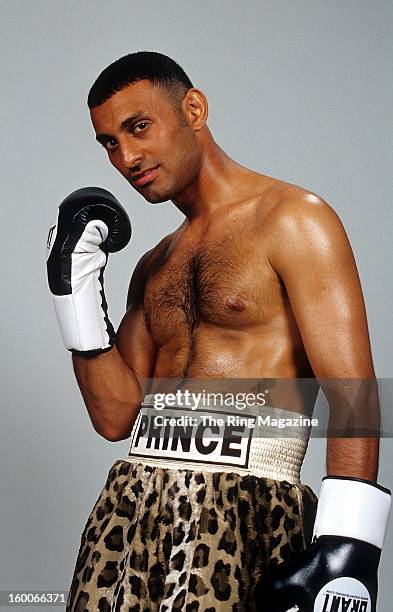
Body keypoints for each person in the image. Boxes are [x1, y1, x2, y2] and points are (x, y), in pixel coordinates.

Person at [46, 52, 390, 611]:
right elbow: (115, 417)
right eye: (109, 143)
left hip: (243, 511)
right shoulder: (154, 265)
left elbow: (355, 394)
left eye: (138, 127)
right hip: (131, 512)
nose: (127, 157)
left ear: (195, 109)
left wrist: (349, 550)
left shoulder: (293, 218)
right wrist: (74, 295)